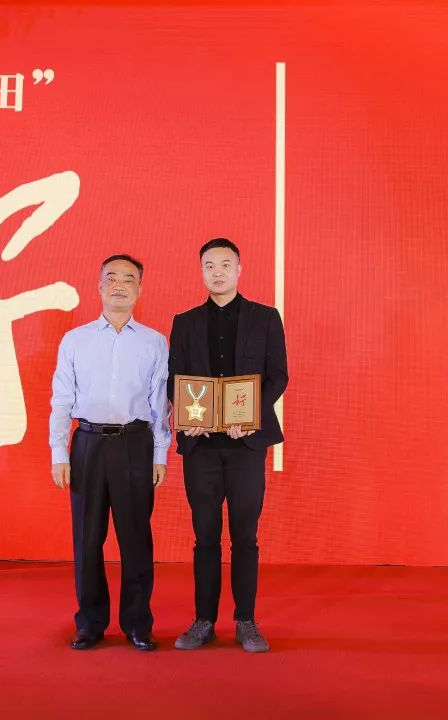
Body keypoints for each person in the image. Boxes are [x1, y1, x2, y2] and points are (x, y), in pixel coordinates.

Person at [168, 238, 288, 653]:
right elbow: (175, 378)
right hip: (200, 447)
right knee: (204, 536)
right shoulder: (185, 322)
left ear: (239, 270)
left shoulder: (265, 318)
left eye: (225, 264)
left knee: (245, 536)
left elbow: (278, 376)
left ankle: (246, 621)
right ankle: (203, 620)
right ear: (201, 271)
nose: (217, 272)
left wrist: (249, 416)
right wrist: (189, 418)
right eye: (209, 265)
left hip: (246, 447)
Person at [48, 254, 170, 651]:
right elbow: (61, 399)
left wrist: (160, 454)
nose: (119, 285)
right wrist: (59, 452)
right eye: (111, 278)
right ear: (99, 286)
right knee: (87, 539)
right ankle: (89, 623)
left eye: (129, 279)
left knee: (136, 538)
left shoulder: (154, 342)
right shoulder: (75, 340)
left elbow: (160, 404)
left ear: (140, 289)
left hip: (135, 444)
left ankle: (137, 624)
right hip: (88, 444)